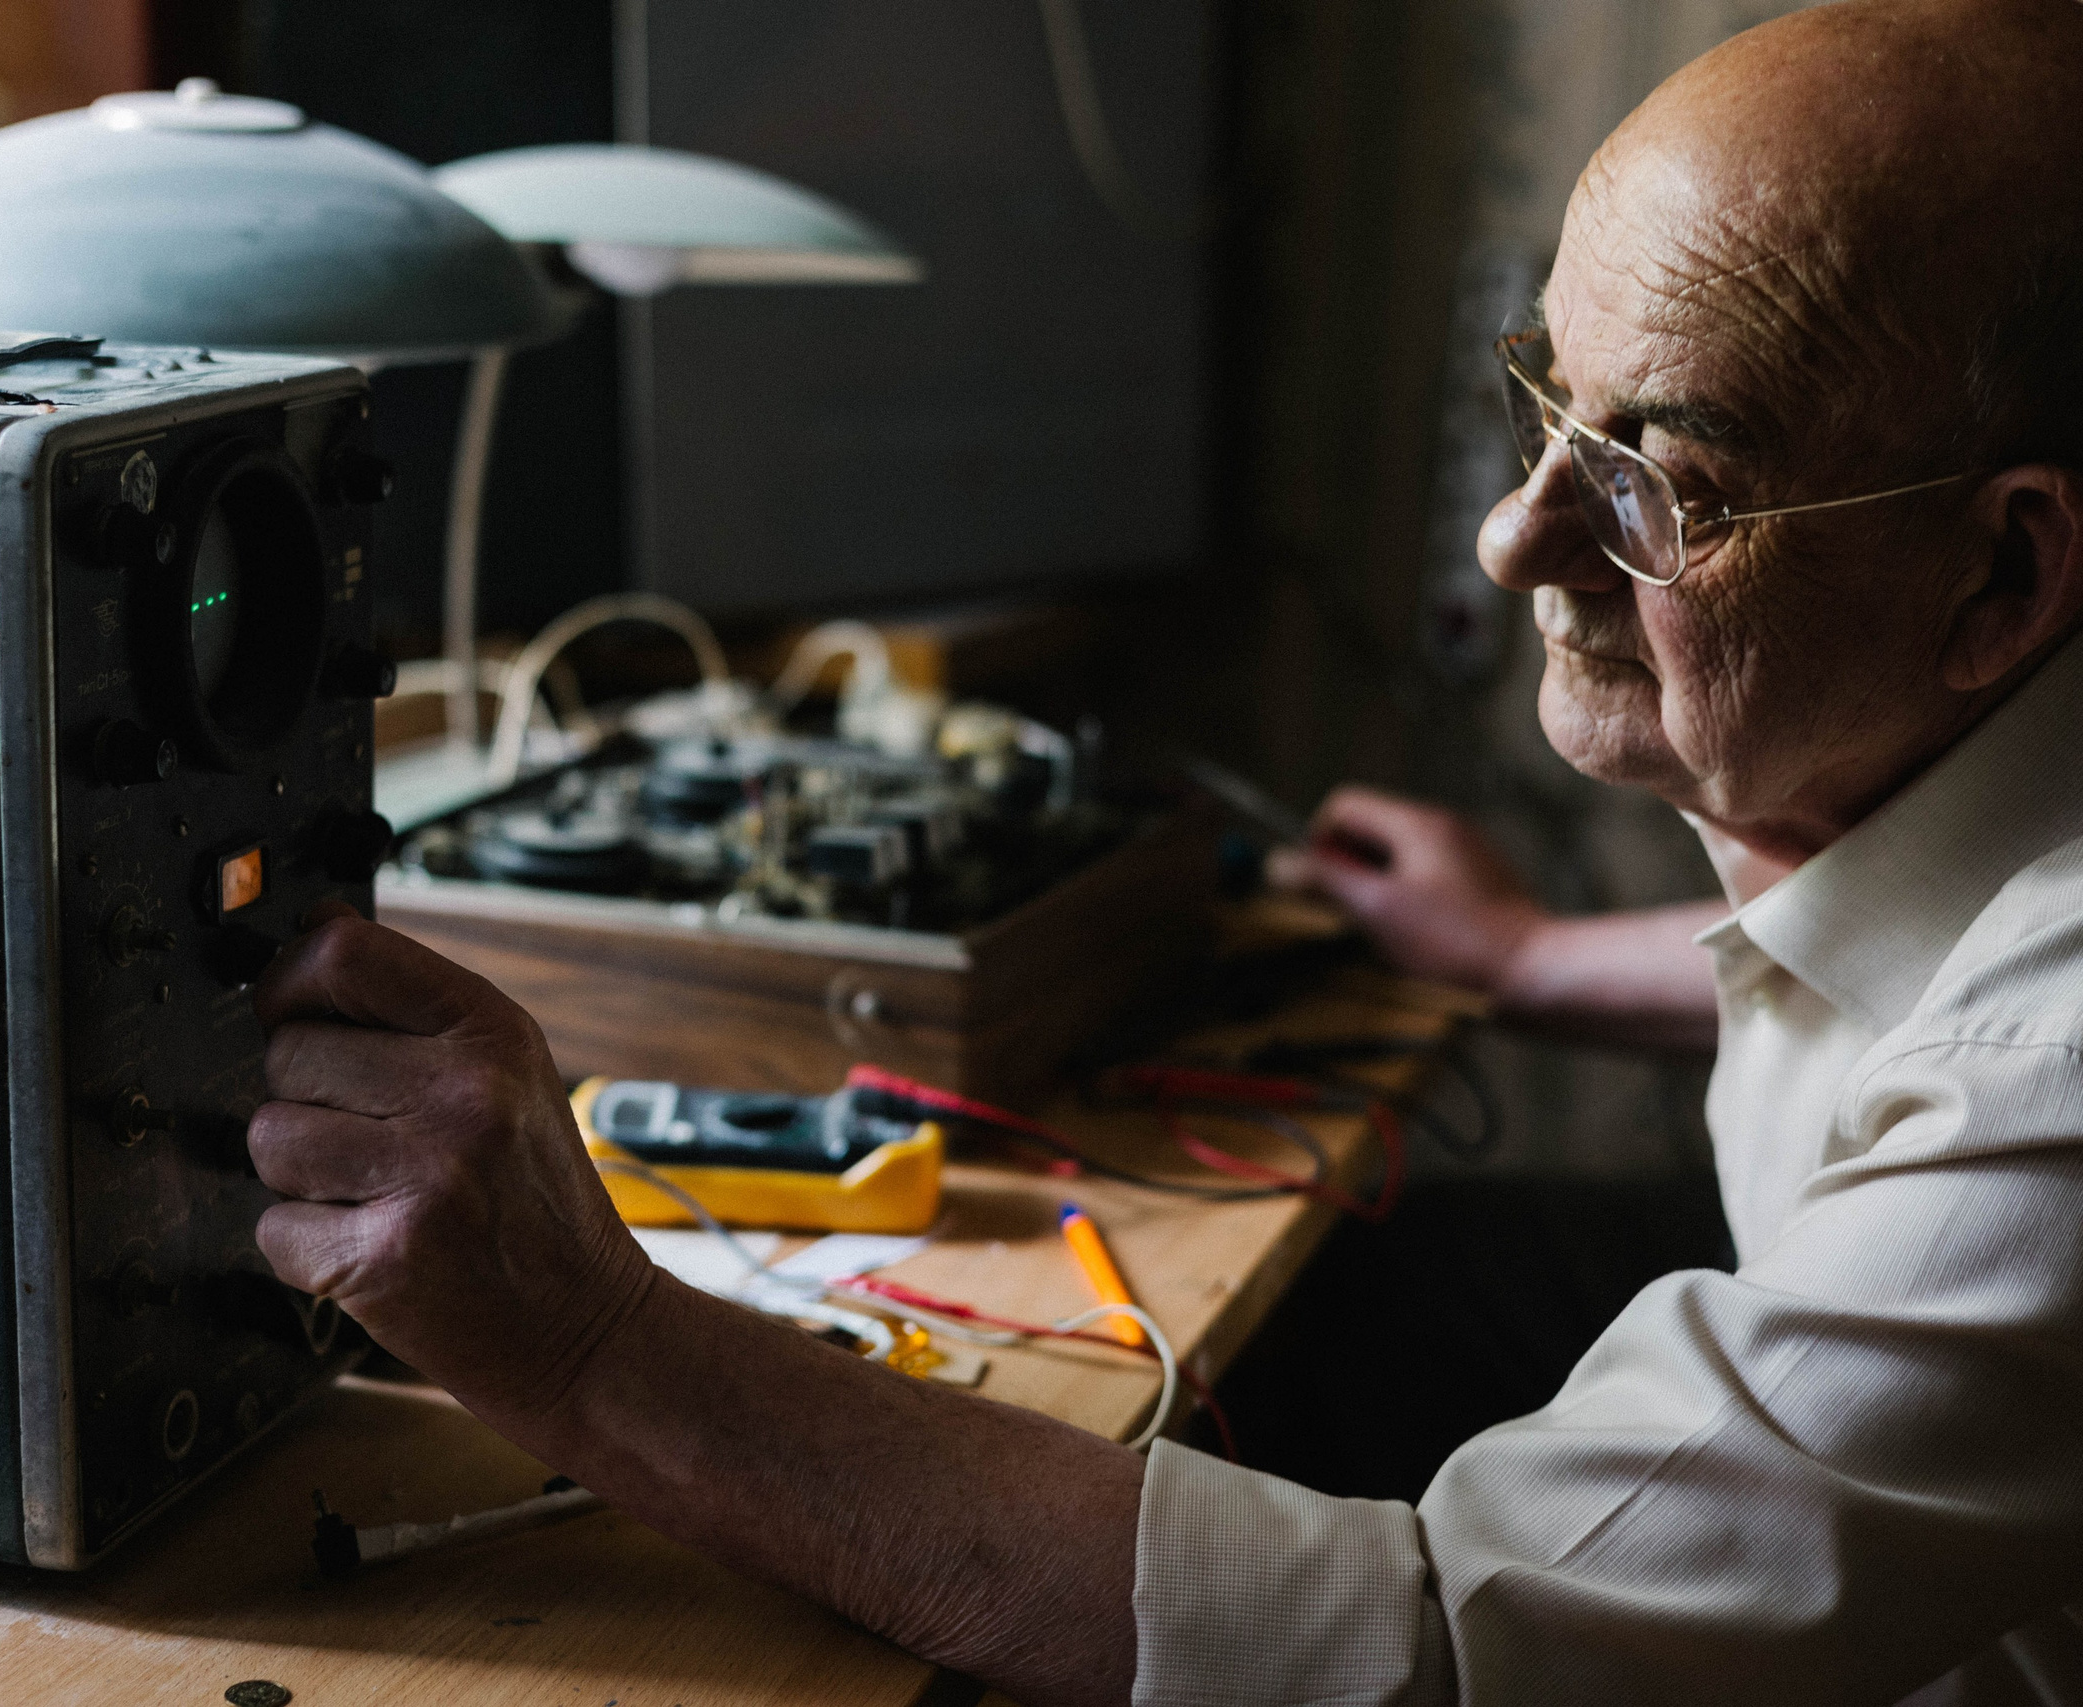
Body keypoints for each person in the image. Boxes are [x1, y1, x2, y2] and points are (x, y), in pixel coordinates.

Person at [241, 1, 2083, 1700]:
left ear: (2004, 573)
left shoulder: (2058, 1059)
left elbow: (1436, 1645)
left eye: (1657, 481)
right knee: (1354, 1308)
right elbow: (1897, 1002)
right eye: (1546, 397)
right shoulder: (1947, 748)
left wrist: (591, 1347)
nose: (1518, 544)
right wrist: (1524, 960)